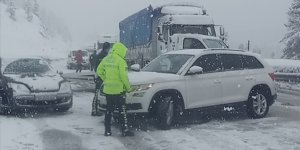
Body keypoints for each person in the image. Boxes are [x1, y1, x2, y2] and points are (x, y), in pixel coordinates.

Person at [97, 42, 134, 137]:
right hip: (119, 91)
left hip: (108, 91)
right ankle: (124, 130)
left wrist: (106, 79)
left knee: (109, 111)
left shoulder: (106, 59)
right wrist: (128, 88)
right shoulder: (121, 61)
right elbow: (123, 76)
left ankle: (107, 131)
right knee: (122, 111)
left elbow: (99, 71)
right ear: (120, 50)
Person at [91, 42, 110, 116]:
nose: (109, 50)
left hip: (101, 77)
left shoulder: (103, 55)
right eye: (108, 48)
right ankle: (94, 110)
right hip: (100, 77)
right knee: (97, 93)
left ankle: (97, 109)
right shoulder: (102, 56)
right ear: (107, 48)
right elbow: (97, 68)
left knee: (99, 94)